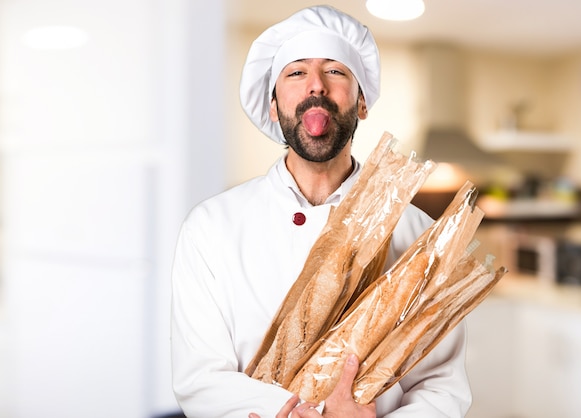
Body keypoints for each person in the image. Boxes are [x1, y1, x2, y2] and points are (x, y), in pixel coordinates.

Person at [171, 5, 472, 417]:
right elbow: (200, 379)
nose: (316, 86)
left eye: (335, 71)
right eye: (296, 73)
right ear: (274, 106)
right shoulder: (211, 228)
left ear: (362, 103)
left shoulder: (421, 234)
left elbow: (442, 385)